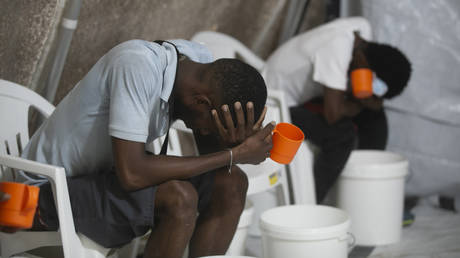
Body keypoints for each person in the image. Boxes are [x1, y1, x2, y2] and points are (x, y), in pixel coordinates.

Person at [16, 39, 274, 258]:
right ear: (201, 101)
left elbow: (211, 158)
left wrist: (229, 146)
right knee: (179, 198)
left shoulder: (196, 64)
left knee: (232, 182)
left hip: (103, 178)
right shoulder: (136, 66)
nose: (205, 132)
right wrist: (233, 154)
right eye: (211, 125)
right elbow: (132, 175)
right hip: (44, 192)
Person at [262, 17, 412, 203]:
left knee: (375, 118)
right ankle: (310, 204)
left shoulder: (362, 32)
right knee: (341, 135)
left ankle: (368, 192)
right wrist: (363, 102)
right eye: (372, 85)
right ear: (362, 60)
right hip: (274, 104)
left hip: (306, 96)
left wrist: (370, 102)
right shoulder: (337, 48)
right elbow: (332, 115)